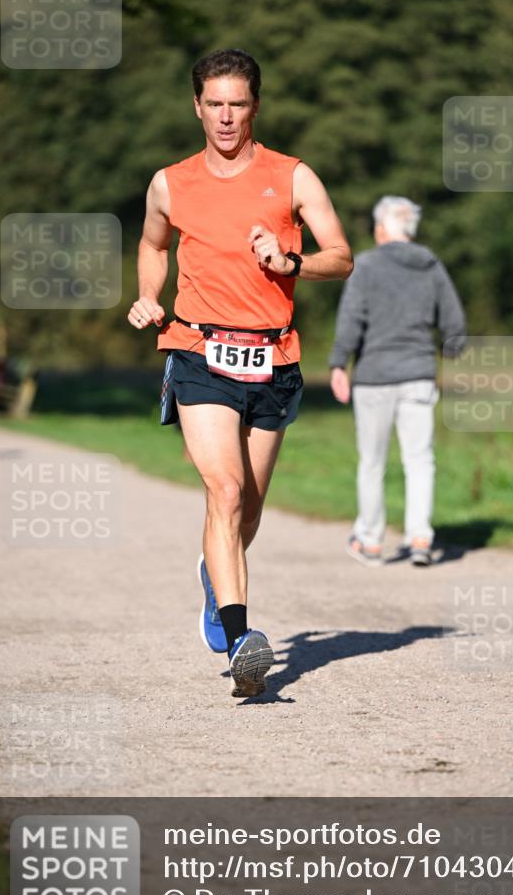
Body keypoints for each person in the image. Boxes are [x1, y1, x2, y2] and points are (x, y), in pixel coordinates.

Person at [128, 49, 352, 697]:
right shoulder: (170, 182)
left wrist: (290, 262)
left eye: (238, 104)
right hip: (197, 351)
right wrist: (150, 294)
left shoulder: (292, 177)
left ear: (255, 106)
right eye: (214, 104)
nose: (226, 117)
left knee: (245, 511)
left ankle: (213, 573)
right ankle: (240, 645)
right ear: (196, 105)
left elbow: (340, 257)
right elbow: (152, 243)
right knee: (222, 492)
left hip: (273, 358)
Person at [328, 196, 465, 567]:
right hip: (419, 374)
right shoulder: (430, 265)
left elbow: (351, 319)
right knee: (420, 460)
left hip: (373, 377)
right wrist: (450, 350)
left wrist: (339, 363)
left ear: (382, 228)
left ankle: (370, 541)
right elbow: (454, 324)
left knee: (372, 462)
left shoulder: (367, 266)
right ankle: (419, 536)